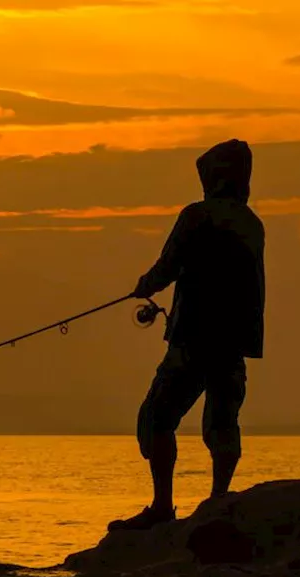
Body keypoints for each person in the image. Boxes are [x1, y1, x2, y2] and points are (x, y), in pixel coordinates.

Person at [109, 139, 266, 532]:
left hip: (193, 339)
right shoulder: (252, 224)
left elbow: (167, 266)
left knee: (157, 418)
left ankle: (163, 507)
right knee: (223, 421)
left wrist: (145, 285)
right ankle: (219, 500)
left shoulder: (196, 216)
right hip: (234, 343)